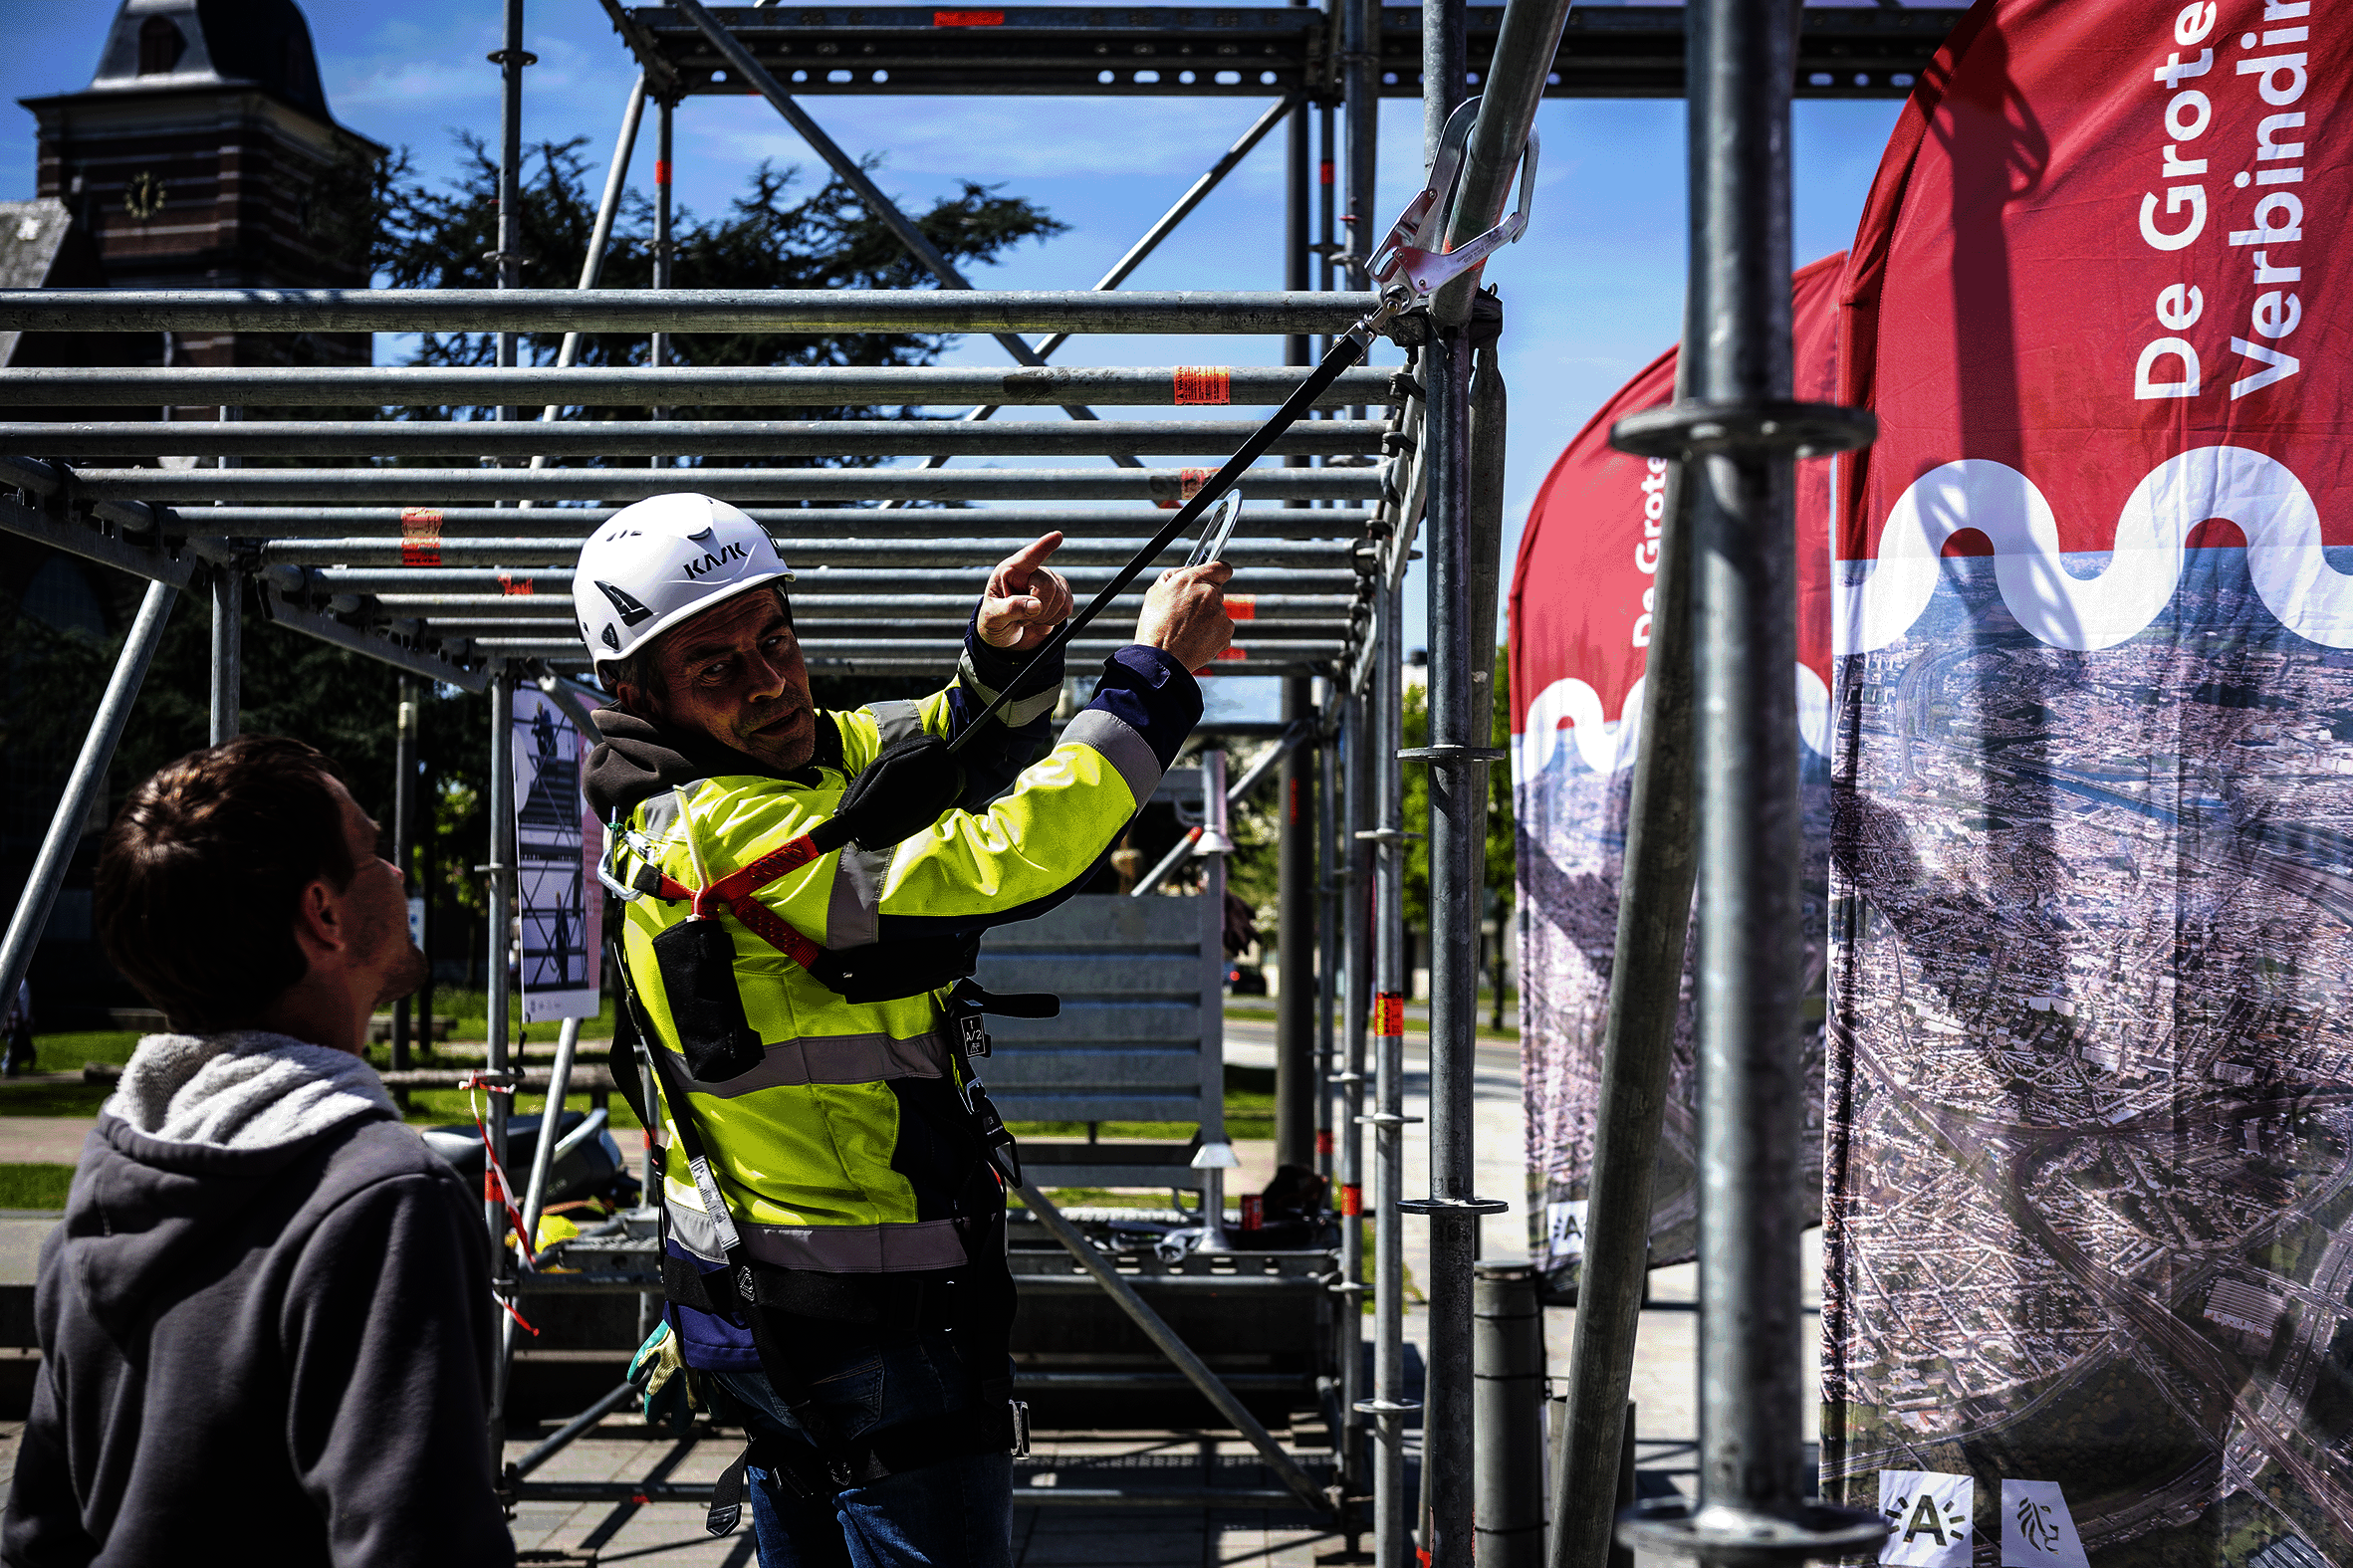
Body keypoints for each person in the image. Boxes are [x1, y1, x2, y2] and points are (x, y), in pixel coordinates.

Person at [579, 493, 1231, 1566]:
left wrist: (992, 664)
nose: (770, 682)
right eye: (717, 668)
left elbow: (915, 740)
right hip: (869, 1322)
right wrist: (1154, 680)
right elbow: (1005, 857)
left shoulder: (752, 767)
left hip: (775, 1309)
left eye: (774, 640)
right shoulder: (732, 830)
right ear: (633, 691)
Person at [2, 735, 514, 1568]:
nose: (397, 874)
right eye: (374, 851)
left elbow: (37, 1538)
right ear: (323, 911)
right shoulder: (381, 1202)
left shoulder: (103, 1196)